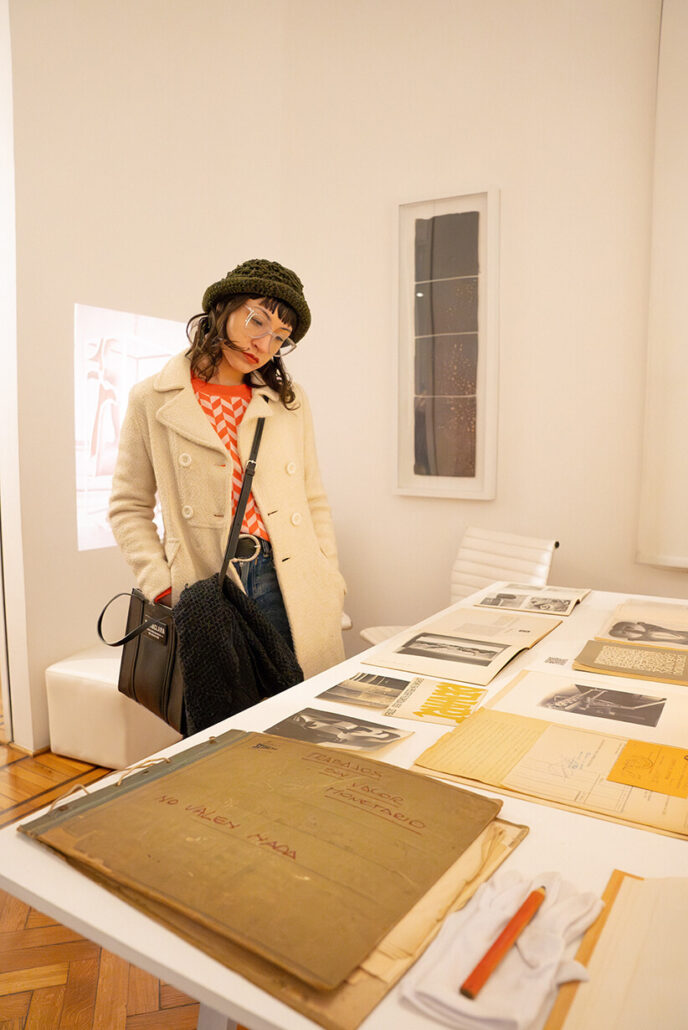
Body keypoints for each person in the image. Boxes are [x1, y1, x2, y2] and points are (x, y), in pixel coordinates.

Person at [109, 258, 346, 681]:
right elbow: (128, 505)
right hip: (207, 583)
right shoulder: (153, 398)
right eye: (257, 321)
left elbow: (313, 497)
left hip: (289, 577)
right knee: (225, 710)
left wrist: (329, 573)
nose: (264, 344)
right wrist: (161, 584)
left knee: (298, 703)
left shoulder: (288, 400)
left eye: (280, 337)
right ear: (223, 308)